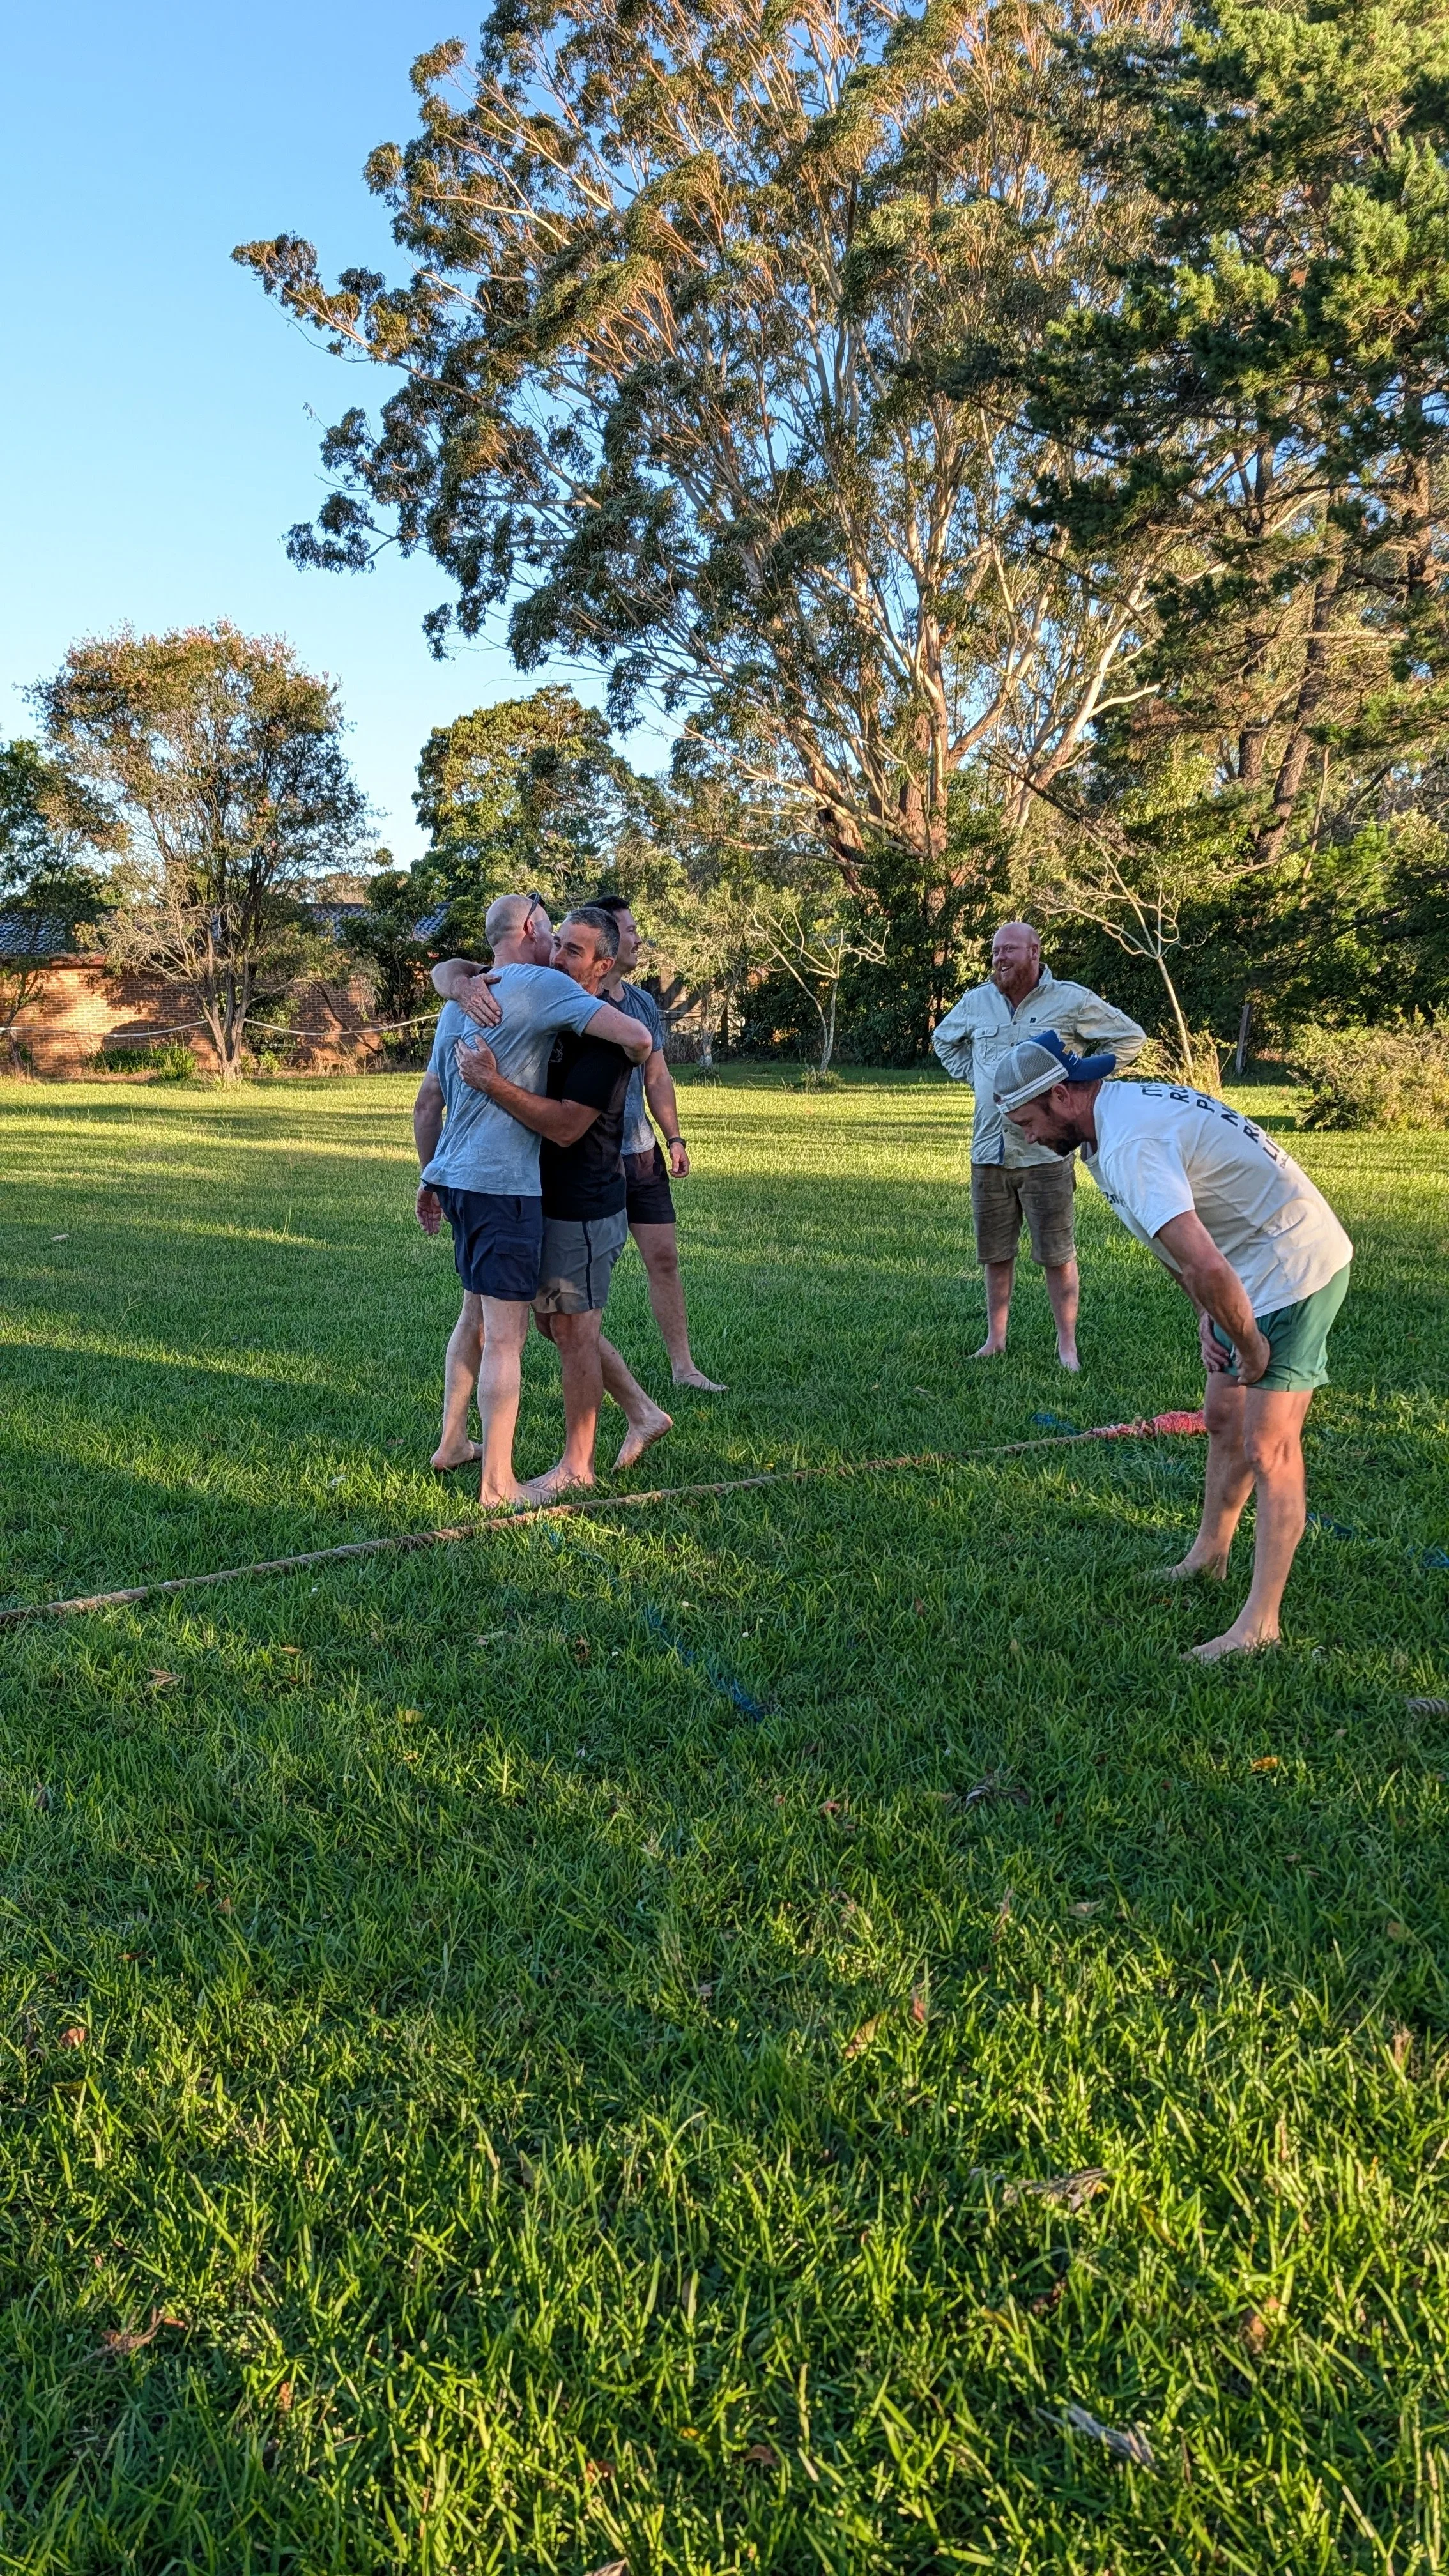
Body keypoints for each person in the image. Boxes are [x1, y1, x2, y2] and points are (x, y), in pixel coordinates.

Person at [994, 1031, 1353, 1663]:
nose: (1028, 1137)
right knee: (1221, 1416)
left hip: (1292, 1261)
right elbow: (1178, 1248)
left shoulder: (1133, 1142)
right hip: (1241, 1263)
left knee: (1269, 1445)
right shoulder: (1103, 1129)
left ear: (1060, 1095)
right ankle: (1209, 1556)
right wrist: (1205, 1319)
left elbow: (1207, 1263)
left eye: (1028, 1122)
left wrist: (1249, 1343)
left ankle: (1259, 1627)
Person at [413, 894, 652, 1505]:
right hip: (506, 1188)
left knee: (507, 1320)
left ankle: (457, 1444)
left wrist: (432, 1171)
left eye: (572, 946)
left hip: (480, 1183)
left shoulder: (459, 1004)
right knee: (512, 1336)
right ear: (530, 929)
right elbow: (637, 1035)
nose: (557, 950)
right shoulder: (538, 988)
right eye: (553, 936)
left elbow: (428, 1102)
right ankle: (498, 1485)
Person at [932, 921, 1146, 1370]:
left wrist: (1079, 1080)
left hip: (1045, 1153)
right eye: (994, 951)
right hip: (989, 1149)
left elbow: (1130, 1038)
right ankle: (995, 1339)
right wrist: (979, 1078)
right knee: (995, 1252)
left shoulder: (1069, 1000)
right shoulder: (977, 1001)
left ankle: (1066, 1346)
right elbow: (943, 1039)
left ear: (1034, 951)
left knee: (1056, 1252)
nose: (999, 958)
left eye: (1009, 949)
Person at [586, 892, 724, 1390]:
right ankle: (586, 1367)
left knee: (664, 1258)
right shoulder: (572, 996)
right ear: (606, 940)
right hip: (590, 1159)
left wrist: (674, 1138)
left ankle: (684, 1369)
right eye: (629, 930)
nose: (639, 938)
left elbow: (658, 1077)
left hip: (640, 1153)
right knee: (590, 1276)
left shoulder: (642, 1003)